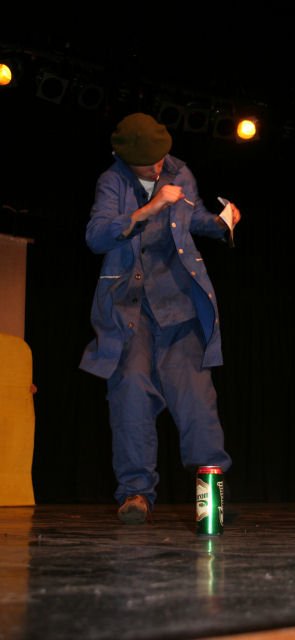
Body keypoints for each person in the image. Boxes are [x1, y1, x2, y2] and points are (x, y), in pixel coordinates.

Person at [79, 112, 241, 524]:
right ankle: (135, 494)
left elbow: (193, 217)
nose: (156, 168)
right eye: (146, 164)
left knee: (197, 401)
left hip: (179, 306)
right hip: (131, 311)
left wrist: (221, 223)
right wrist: (150, 208)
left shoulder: (180, 172)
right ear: (123, 159)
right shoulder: (112, 182)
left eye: (159, 159)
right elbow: (96, 235)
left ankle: (210, 496)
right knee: (131, 393)